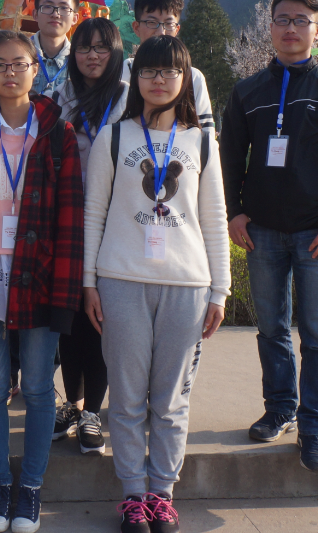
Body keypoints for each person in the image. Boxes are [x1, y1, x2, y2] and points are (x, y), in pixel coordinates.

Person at [83, 35, 230, 533]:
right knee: (126, 399)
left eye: (170, 71)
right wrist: (88, 282)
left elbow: (214, 218)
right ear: (135, 78)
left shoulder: (201, 142)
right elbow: (93, 214)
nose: (159, 80)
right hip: (120, 280)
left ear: (186, 79)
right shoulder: (114, 137)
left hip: (187, 286)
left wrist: (220, 290)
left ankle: (161, 495)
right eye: (149, 71)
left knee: (170, 401)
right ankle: (132, 495)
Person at [220, 0, 318, 476]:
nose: (290, 28)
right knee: (271, 329)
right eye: (282, 19)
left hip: (316, 234)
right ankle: (280, 408)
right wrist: (235, 212)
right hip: (261, 233)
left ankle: (315, 425)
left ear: (317, 31)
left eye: (300, 21)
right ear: (270, 27)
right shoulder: (247, 92)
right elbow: (228, 160)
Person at [0, 30, 84, 533]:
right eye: (0, 64)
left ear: (35, 70)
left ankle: (30, 487)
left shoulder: (57, 132)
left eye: (20, 63)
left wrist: (66, 293)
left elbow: (71, 217)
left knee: (38, 388)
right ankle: (0, 485)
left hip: (40, 275)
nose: (10, 72)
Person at [51, 17, 128, 455]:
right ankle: (74, 404)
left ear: (115, 52)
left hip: (114, 224)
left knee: (101, 318)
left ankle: (94, 411)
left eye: (101, 47)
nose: (92, 55)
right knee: (70, 321)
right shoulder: (59, 96)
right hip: (66, 222)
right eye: (83, 47)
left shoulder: (130, 98)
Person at [121, 0, 215, 136]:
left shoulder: (192, 77)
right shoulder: (121, 73)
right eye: (152, 22)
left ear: (177, 30)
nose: (161, 32)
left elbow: (206, 136)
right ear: (136, 27)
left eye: (168, 24)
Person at [31, 0, 80, 96]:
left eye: (64, 8)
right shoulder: (17, 55)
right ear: (35, 14)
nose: (55, 14)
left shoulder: (79, 60)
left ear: (75, 18)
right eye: (48, 6)